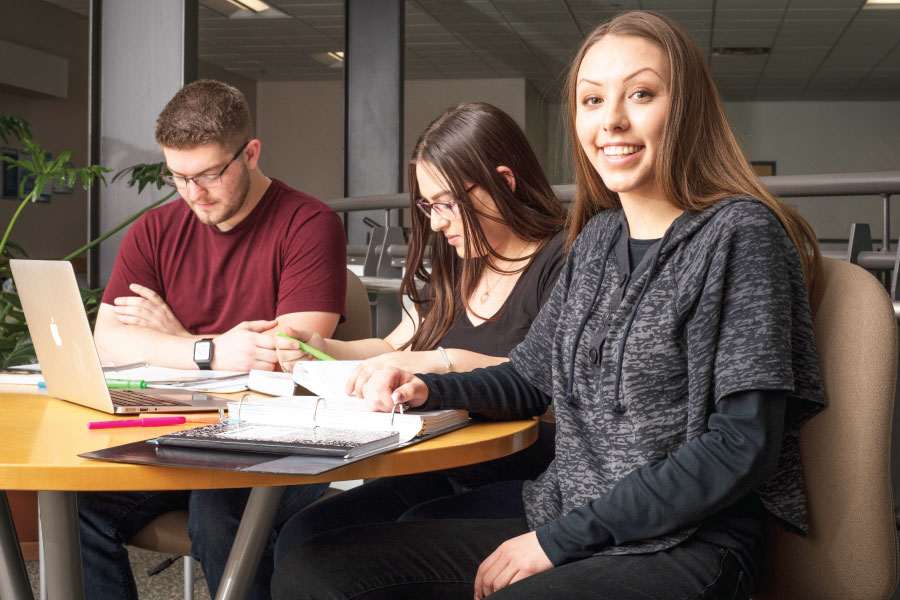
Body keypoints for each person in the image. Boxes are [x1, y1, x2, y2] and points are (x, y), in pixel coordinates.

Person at [271, 11, 826, 600]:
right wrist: (427, 389)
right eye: (592, 100)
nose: (611, 120)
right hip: (567, 511)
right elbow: (529, 380)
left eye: (641, 94)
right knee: (314, 568)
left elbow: (742, 446)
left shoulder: (741, 235)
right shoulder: (598, 239)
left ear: (686, 108)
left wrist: (558, 542)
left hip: (689, 544)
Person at [78, 79, 346, 600]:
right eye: (178, 177)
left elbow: (286, 355)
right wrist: (209, 350)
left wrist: (175, 338)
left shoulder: (309, 223)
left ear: (251, 153)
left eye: (208, 174)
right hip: (182, 431)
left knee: (219, 513)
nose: (193, 194)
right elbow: (107, 340)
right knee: (82, 502)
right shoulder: (154, 230)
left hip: (283, 437)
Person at [272, 101, 568, 562]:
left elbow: (550, 387)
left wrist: (441, 361)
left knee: (388, 544)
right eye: (428, 206)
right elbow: (395, 346)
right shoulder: (460, 261)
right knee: (302, 535)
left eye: (446, 203)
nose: (435, 222)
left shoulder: (564, 261)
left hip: (526, 477)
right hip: (443, 463)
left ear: (504, 183)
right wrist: (326, 348)